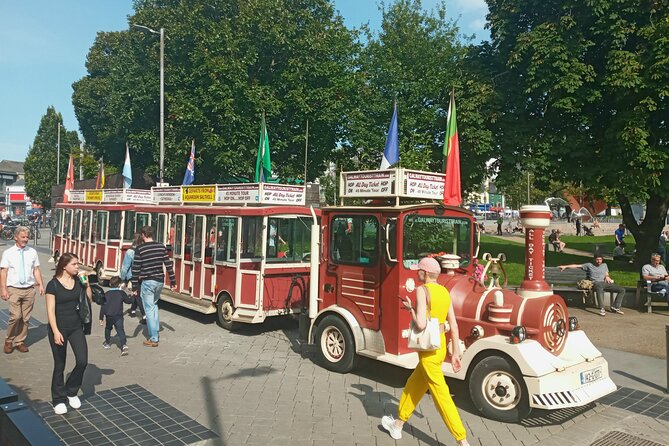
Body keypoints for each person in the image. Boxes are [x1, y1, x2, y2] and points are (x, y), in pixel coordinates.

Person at [381, 257, 469, 446]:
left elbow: (420, 325)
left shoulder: (422, 291)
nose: (417, 272)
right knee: (414, 385)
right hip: (440, 349)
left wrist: (410, 310)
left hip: (427, 352)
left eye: (419, 270)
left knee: (441, 397)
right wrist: (454, 354)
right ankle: (397, 425)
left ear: (426, 273)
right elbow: (453, 326)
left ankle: (462, 440)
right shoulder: (445, 291)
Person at [45, 253, 92, 415]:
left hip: (76, 327)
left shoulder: (78, 282)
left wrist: (87, 285)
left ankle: (71, 391)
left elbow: (89, 301)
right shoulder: (53, 285)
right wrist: (56, 331)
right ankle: (58, 399)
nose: (78, 267)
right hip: (58, 328)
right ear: (64, 266)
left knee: (82, 361)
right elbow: (50, 311)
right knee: (60, 365)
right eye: (75, 264)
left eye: (78, 264)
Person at [1, 226, 44, 354]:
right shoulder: (8, 253)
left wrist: (41, 284)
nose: (25, 239)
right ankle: (9, 340)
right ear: (16, 237)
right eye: (23, 237)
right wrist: (3, 289)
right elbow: (3, 272)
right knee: (15, 316)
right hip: (13, 288)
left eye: (27, 237)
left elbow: (36, 269)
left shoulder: (32, 252)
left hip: (29, 289)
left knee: (25, 318)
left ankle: (20, 341)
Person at [131, 226, 177, 347]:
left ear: (143, 235)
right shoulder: (161, 247)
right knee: (154, 304)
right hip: (160, 281)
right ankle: (155, 329)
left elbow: (135, 269)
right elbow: (168, 264)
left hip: (148, 282)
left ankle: (153, 338)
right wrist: (173, 281)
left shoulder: (140, 249)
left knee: (149, 309)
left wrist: (134, 287)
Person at [559, 253, 626, 316]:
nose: (599, 261)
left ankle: (615, 307)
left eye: (600, 259)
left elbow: (606, 273)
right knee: (599, 287)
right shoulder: (589, 265)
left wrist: (607, 276)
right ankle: (602, 308)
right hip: (595, 283)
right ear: (594, 259)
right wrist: (565, 266)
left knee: (622, 289)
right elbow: (577, 265)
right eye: (597, 259)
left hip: (604, 283)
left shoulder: (604, 265)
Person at [100, 276, 134, 356]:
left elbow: (103, 306)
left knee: (108, 328)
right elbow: (128, 301)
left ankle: (107, 343)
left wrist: (101, 318)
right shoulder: (121, 293)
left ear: (109, 284)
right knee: (120, 330)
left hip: (109, 316)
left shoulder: (106, 294)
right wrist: (132, 296)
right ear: (119, 285)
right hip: (118, 315)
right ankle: (124, 345)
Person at [120, 233, 145, 322]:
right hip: (143, 275)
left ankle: (144, 315)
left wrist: (122, 278)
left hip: (133, 276)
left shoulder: (130, 251)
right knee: (136, 293)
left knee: (137, 295)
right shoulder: (144, 249)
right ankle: (133, 310)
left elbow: (125, 267)